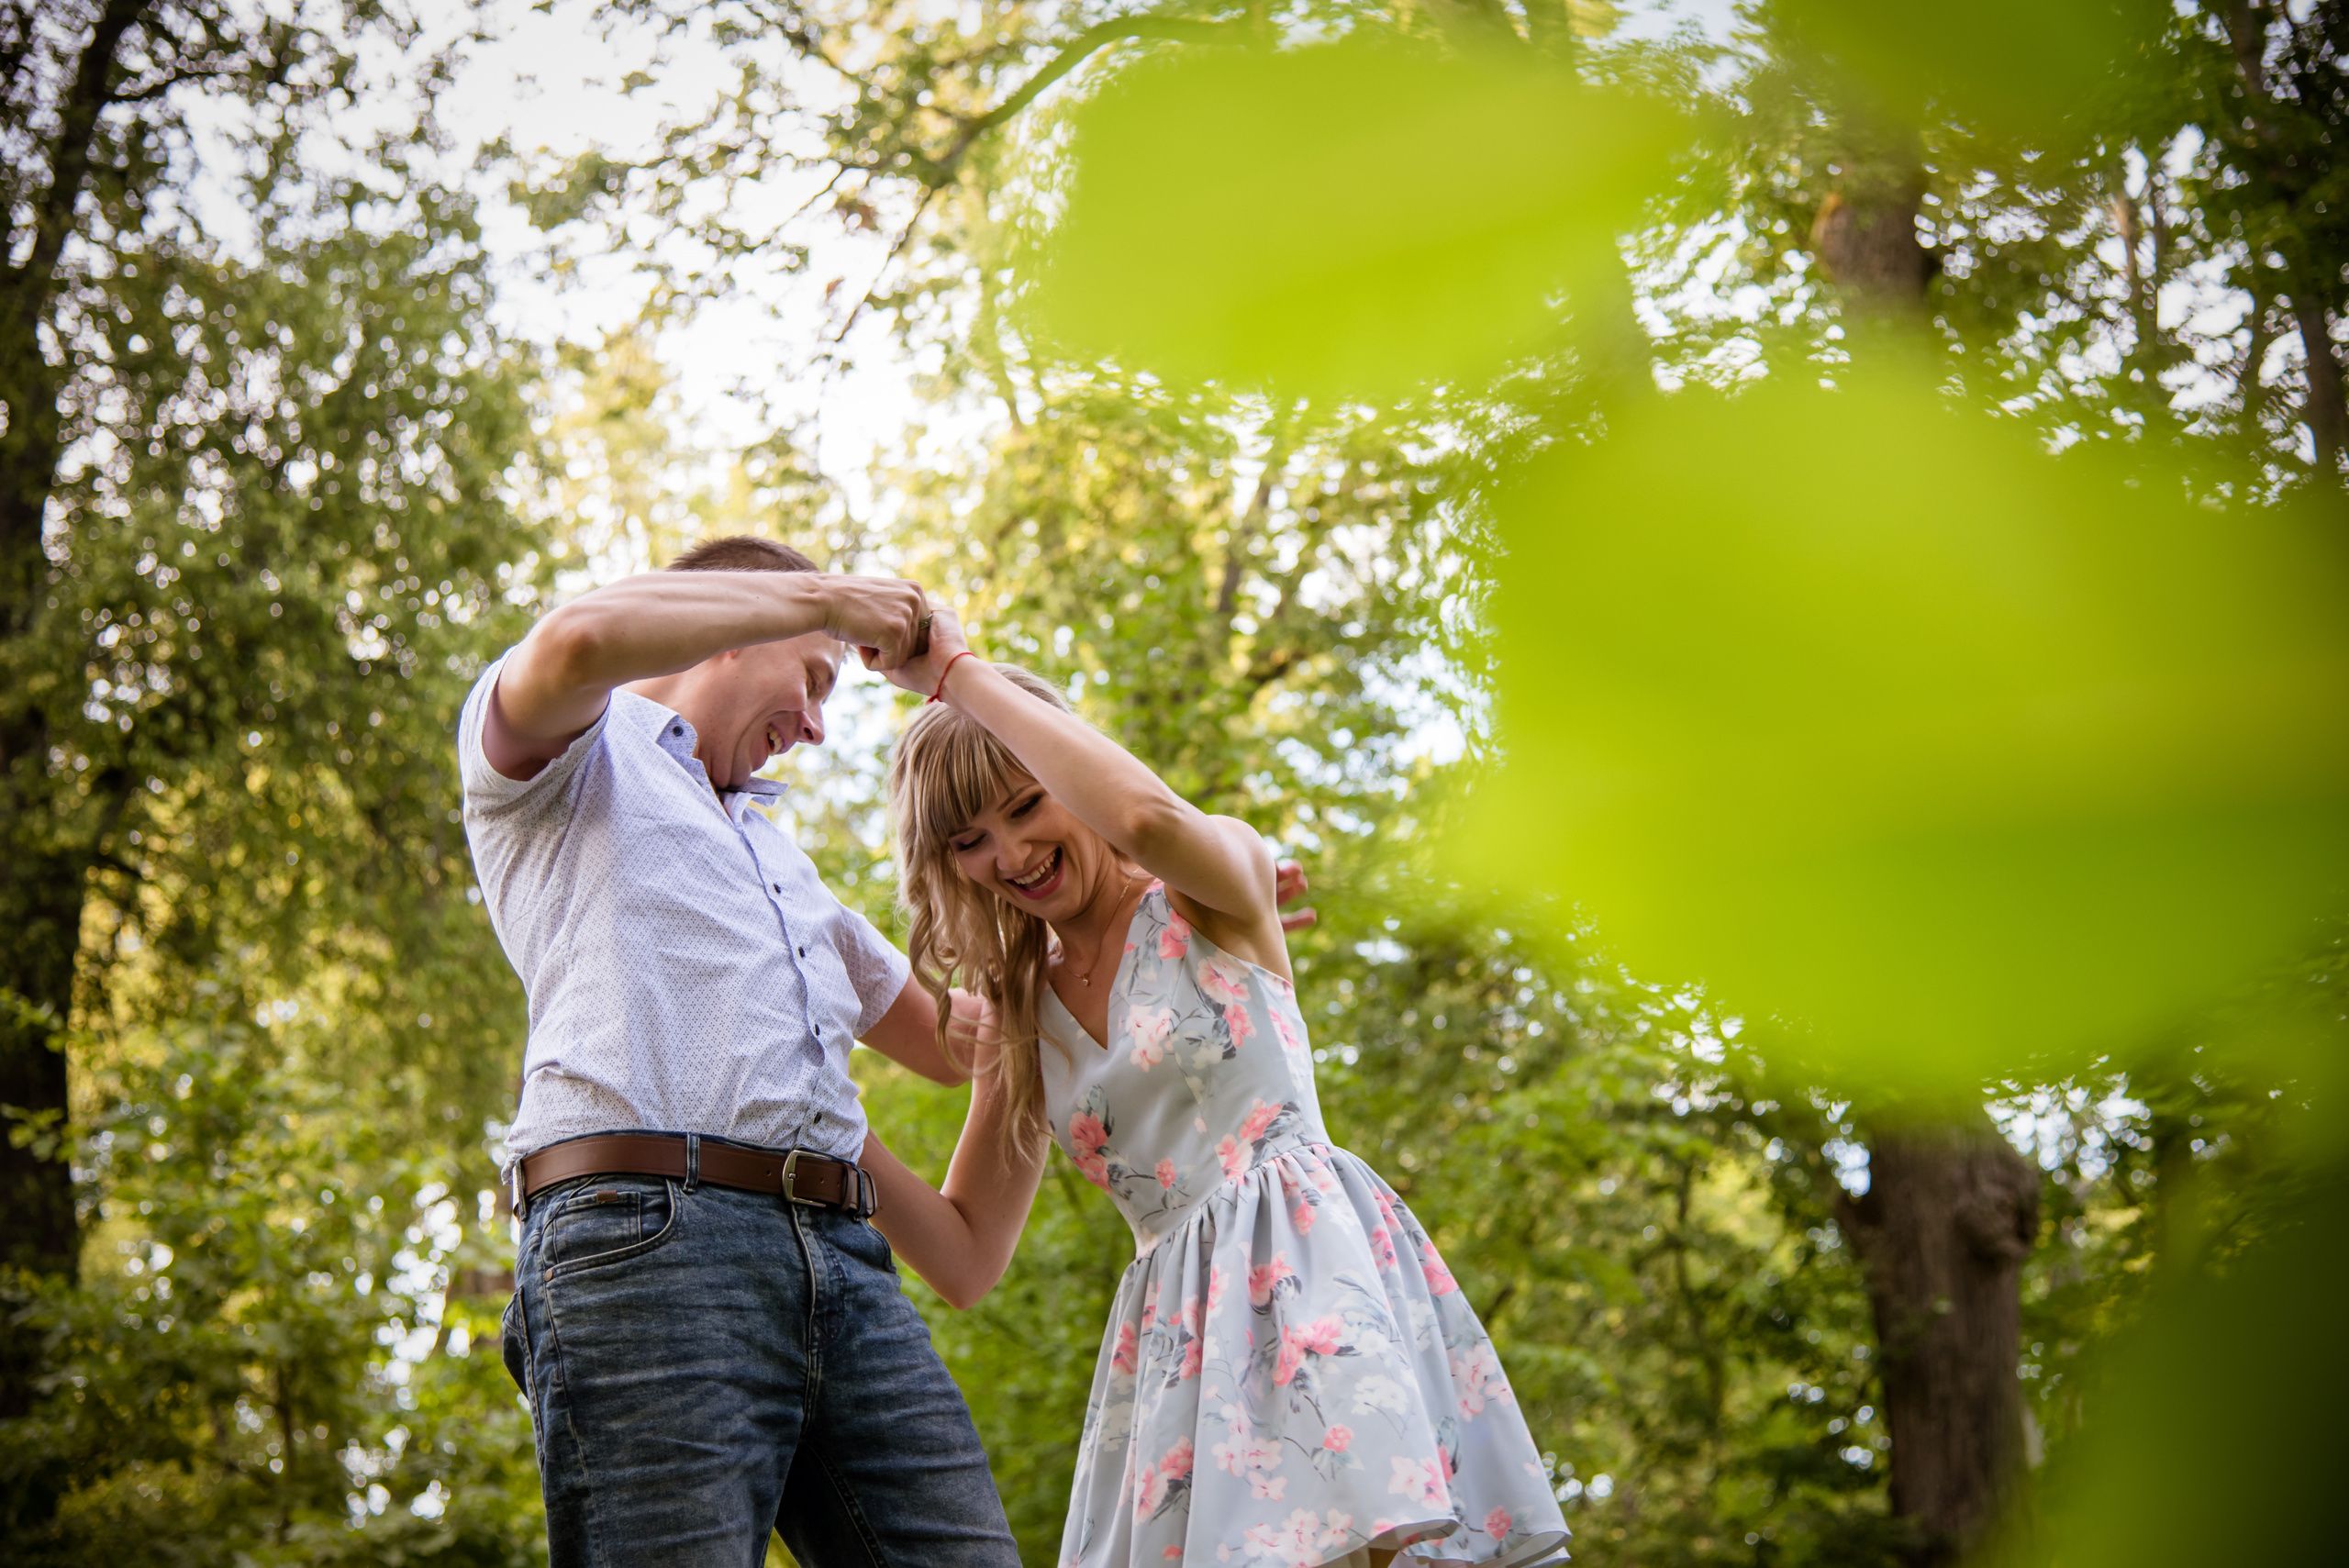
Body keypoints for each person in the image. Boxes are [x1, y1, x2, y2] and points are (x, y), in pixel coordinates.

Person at [857, 610, 1570, 1568]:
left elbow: (1148, 821)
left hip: (1311, 1270)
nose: (1011, 853)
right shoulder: (1021, 1016)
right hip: (1179, 1347)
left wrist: (956, 671)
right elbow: (964, 1257)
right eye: (970, 839)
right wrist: (831, 1127)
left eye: (1027, 804)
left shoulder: (1213, 885)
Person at [456, 535, 1019, 1568]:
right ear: (736, 623)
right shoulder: (576, 759)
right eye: (814, 678)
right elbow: (579, 639)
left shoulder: (785, 865)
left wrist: (1171, 913)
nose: (815, 726)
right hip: (648, 1244)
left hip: (847, 1266)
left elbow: (960, 1044)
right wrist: (829, 599)